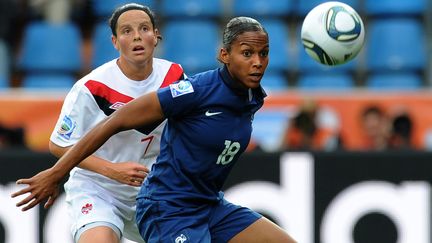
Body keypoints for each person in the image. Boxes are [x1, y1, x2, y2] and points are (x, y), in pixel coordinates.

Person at [12, 16, 297, 243]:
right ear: (224, 55)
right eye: (247, 53)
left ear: (155, 35)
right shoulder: (193, 90)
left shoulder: (250, 95)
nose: (258, 62)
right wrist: (56, 173)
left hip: (205, 204)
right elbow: (116, 121)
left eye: (264, 53)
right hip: (165, 207)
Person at [38, 3, 185, 243]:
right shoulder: (91, 87)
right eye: (126, 31)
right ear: (115, 42)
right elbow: (59, 144)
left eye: (144, 28)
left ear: (156, 35)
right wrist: (111, 170)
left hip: (154, 191)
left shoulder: (175, 76)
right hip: (99, 189)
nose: (137, 36)